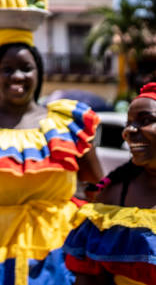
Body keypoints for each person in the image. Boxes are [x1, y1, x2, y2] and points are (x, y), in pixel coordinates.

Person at [0, 29, 103, 285]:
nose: (17, 76)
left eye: (26, 68)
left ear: (39, 74)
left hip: (61, 253)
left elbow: (98, 193)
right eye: (7, 69)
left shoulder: (67, 123)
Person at [63, 82, 156, 285]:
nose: (129, 131)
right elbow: (90, 276)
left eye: (146, 120)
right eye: (128, 123)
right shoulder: (113, 196)